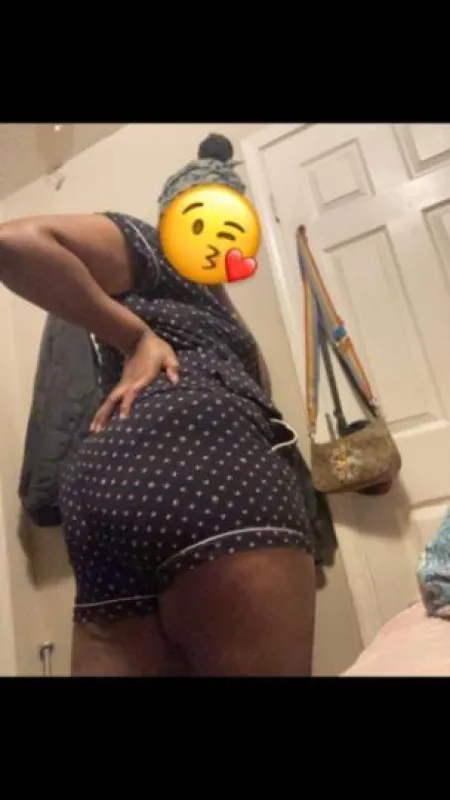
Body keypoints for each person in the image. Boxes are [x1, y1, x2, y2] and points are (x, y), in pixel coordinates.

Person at [0, 133, 322, 677]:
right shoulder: (151, 247)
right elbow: (13, 243)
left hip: (105, 487)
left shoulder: (215, 300)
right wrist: (135, 337)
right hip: (210, 475)